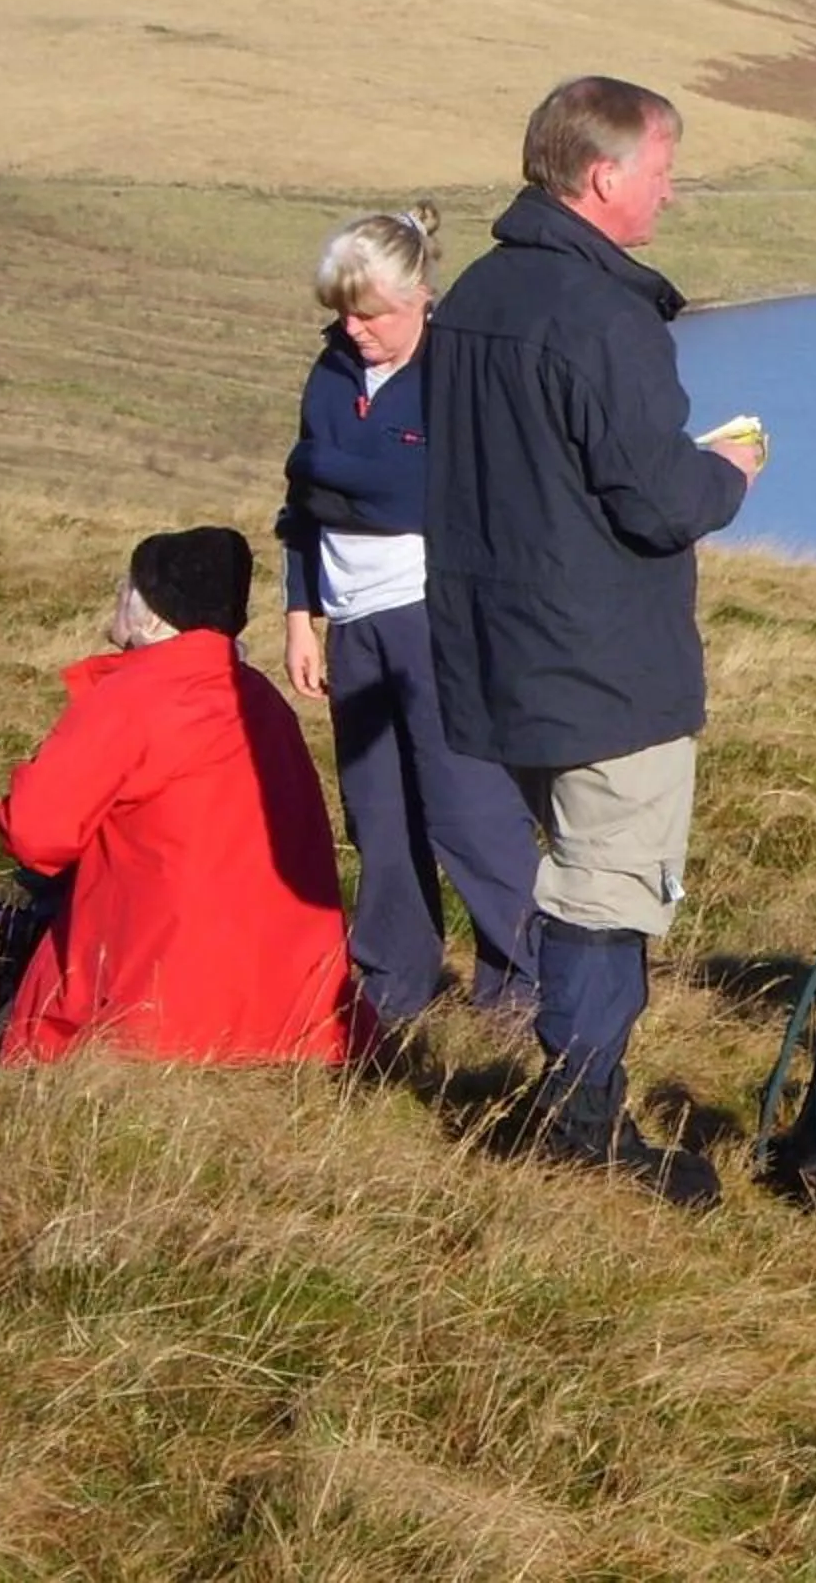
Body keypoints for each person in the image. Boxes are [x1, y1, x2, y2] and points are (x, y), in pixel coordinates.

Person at [426, 74, 758, 1208]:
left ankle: (571, 1105)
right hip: (603, 663)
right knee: (606, 896)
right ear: (605, 175)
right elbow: (657, 502)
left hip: (497, 647)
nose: (671, 192)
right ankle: (582, 1129)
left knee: (572, 876)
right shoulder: (603, 316)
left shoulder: (477, 294)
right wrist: (729, 472)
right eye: (663, 170)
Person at [279, 202, 540, 1028]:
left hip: (438, 616)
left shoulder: (458, 375)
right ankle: (394, 981)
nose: (355, 330)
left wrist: (334, 474)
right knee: (376, 808)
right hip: (350, 620)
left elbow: (448, 496)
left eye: (372, 313)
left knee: (468, 804)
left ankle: (524, 980)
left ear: (421, 293)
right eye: (344, 313)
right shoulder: (330, 370)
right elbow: (302, 501)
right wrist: (300, 613)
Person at [0, 528, 368, 1068]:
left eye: (128, 587)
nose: (118, 597)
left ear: (153, 616)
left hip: (151, 1016)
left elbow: (36, 834)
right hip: (295, 1020)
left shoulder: (132, 697)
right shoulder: (262, 700)